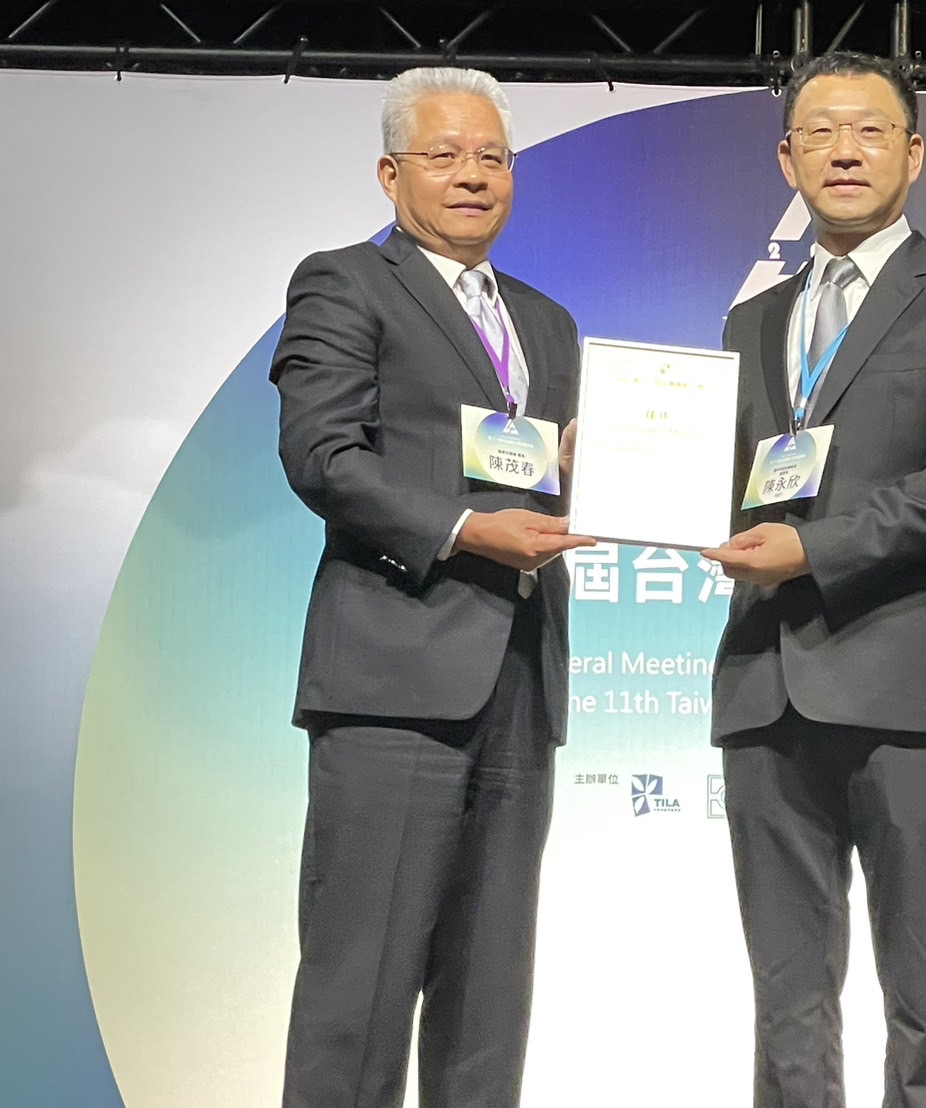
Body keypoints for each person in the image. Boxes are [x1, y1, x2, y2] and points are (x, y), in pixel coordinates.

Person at [702, 51, 926, 1108]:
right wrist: (616, 462)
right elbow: (728, 479)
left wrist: (815, 549)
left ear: (913, 153)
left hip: (908, 688)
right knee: (786, 999)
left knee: (922, 998)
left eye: (871, 130)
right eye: (821, 132)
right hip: (765, 685)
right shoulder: (752, 320)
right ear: (786, 158)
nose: (845, 151)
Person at [270, 66, 591, 1108]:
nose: (472, 177)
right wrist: (463, 529)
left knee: (489, 996)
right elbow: (323, 455)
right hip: (391, 683)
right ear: (390, 173)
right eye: (445, 156)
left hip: (520, 681)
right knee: (359, 992)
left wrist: (599, 473)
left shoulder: (546, 321)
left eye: (492, 158)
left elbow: (536, 471)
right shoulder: (344, 283)